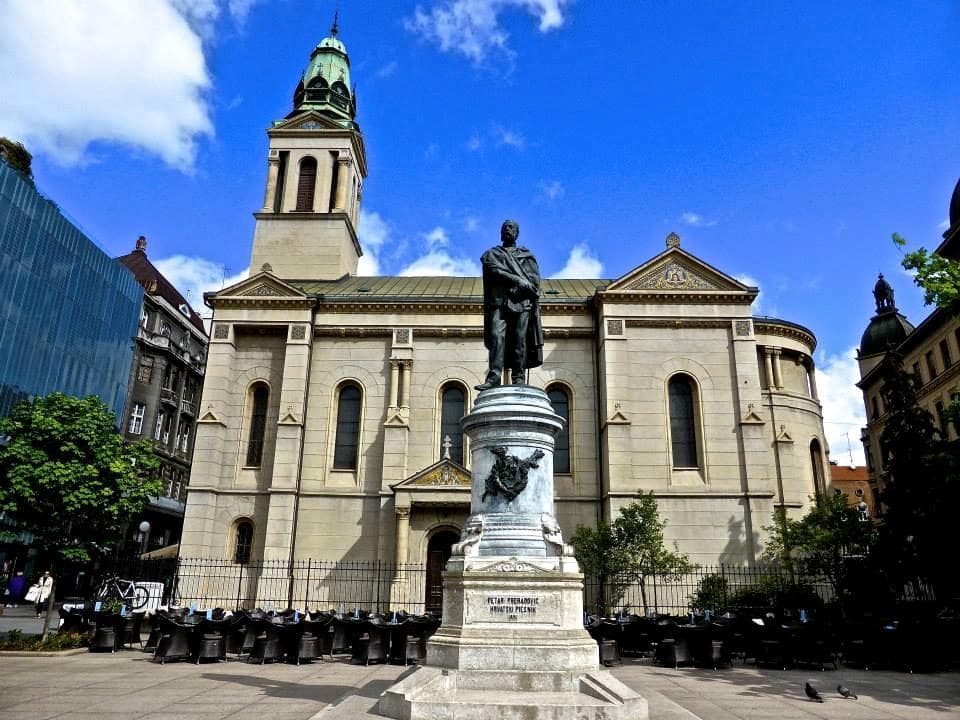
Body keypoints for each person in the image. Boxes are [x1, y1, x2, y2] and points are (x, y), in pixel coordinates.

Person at [475, 220, 544, 391]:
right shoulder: (491, 254)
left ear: (517, 233)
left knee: (520, 340)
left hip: (522, 302)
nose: (508, 229)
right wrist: (517, 280)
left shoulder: (526, 255)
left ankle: (518, 377)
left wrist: (523, 286)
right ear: (500, 233)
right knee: (496, 337)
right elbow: (494, 270)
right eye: (505, 227)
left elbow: (534, 282)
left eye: (511, 227)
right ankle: (494, 377)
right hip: (499, 302)